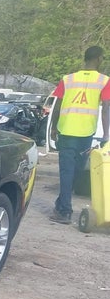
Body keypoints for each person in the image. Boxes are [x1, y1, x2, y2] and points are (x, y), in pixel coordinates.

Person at [48, 46, 110, 224]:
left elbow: (57, 105)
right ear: (98, 59)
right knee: (76, 171)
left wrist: (53, 128)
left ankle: (62, 207)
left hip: (66, 131)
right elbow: (106, 108)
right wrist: (106, 134)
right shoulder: (104, 80)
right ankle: (65, 209)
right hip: (86, 134)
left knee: (67, 171)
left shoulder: (68, 79)